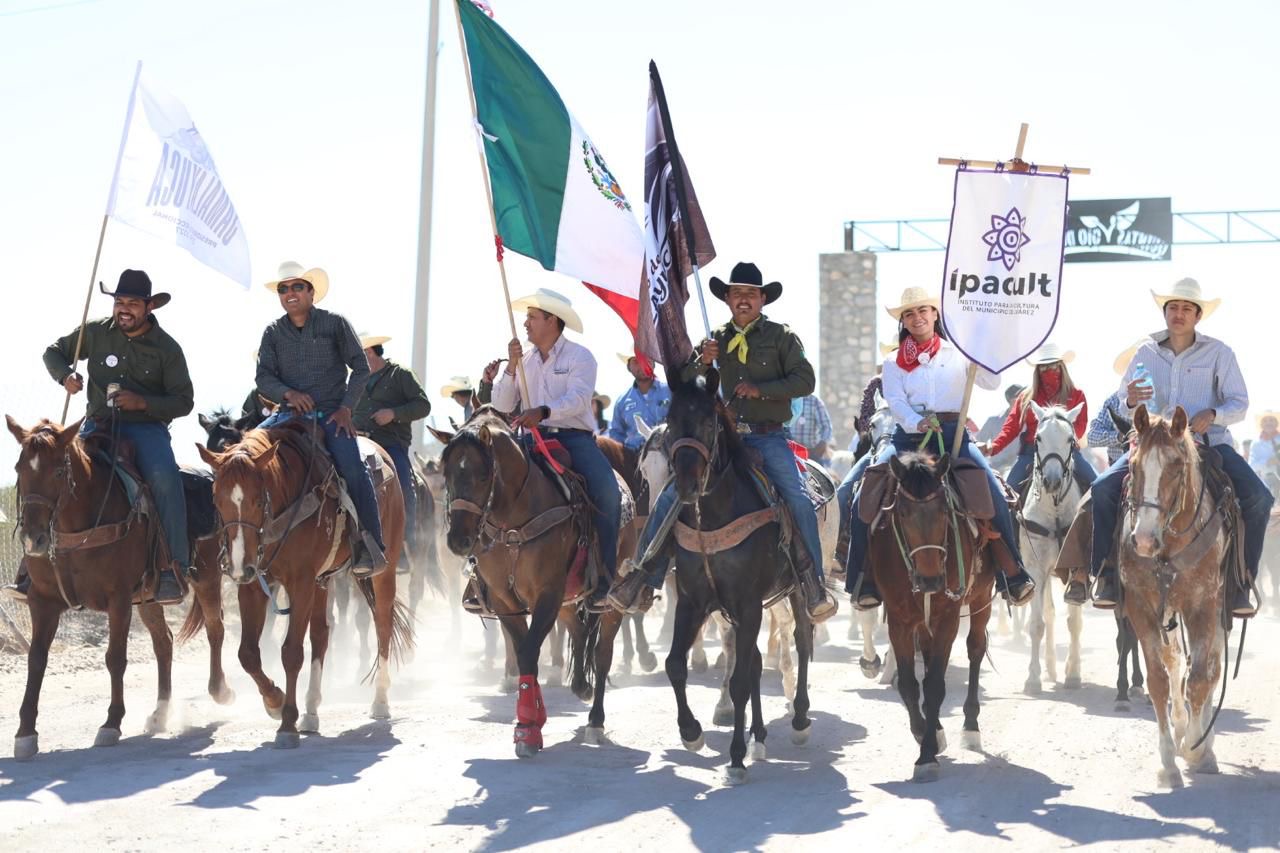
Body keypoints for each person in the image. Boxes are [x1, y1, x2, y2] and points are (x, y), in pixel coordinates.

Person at [608, 261, 838, 622]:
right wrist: (701, 361)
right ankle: (643, 575)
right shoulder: (716, 339)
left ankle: (813, 582)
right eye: (736, 294)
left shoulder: (782, 337)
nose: (743, 299)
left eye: (750, 294)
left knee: (797, 497)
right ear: (727, 299)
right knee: (671, 494)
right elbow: (683, 380)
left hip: (767, 437)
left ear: (762, 299)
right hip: (722, 440)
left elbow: (804, 380)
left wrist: (761, 390)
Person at [1068, 278, 1272, 618]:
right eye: (1173, 307)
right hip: (1150, 448)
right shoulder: (1145, 352)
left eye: (1187, 309)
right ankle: (1104, 573)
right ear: (1165, 313)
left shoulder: (1220, 353)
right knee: (1102, 489)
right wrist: (1131, 398)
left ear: (1198, 316)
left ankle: (1241, 582)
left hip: (1208, 446)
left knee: (1260, 497)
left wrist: (1214, 413)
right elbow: (1123, 404)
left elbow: (1240, 403)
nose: (1179, 314)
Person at [843, 286, 1036, 610]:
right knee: (866, 494)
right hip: (907, 438)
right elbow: (896, 402)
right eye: (909, 314)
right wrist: (918, 422)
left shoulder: (959, 352)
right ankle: (863, 579)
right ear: (903, 321)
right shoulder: (892, 362)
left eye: (923, 311)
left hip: (953, 434)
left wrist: (981, 352)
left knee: (993, 491)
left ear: (935, 314)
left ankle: (1012, 574)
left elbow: (991, 383)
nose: (917, 318)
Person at [7, 270, 194, 604]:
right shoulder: (94, 332)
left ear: (149, 306)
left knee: (165, 478)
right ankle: (29, 570)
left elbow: (184, 401)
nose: (124, 309)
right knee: (53, 471)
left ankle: (172, 568)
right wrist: (65, 376)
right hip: (97, 426)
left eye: (133, 303)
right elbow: (53, 351)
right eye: (119, 302)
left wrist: (143, 402)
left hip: (145, 429)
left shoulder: (168, 349)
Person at [490, 288, 622, 611]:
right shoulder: (525, 362)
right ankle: (483, 575)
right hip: (531, 441)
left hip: (573, 440)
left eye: (532, 317)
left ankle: (605, 580)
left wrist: (544, 412)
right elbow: (501, 403)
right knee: (488, 488)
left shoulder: (580, 357)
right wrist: (510, 367)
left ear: (552, 320)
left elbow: (579, 399)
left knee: (608, 494)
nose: (525, 324)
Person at [254, 261, 387, 577]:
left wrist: (346, 408)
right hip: (288, 416)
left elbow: (360, 367)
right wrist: (288, 394)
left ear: (311, 292)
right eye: (283, 289)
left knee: (353, 468)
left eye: (297, 286)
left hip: (331, 415)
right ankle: (240, 541)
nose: (290, 293)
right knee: (247, 454)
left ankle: (370, 545)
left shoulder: (335, 324)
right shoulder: (273, 333)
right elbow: (263, 377)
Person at [981, 343, 1095, 493]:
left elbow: (1081, 424)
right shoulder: (1026, 397)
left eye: (1053, 366)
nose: (1049, 371)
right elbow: (1011, 427)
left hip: (1068, 451)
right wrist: (994, 447)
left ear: (1061, 366)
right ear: (1037, 369)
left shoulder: (1076, 394)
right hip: (1032, 452)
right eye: (1043, 367)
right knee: (1009, 492)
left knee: (1097, 487)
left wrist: (1064, 439)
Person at [353, 334, 430, 547]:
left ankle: (406, 541)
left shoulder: (401, 375)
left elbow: (423, 406)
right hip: (358, 444)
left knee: (403, 481)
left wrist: (393, 414)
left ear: (369, 353)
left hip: (390, 444)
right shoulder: (356, 380)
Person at [1086, 339, 1147, 466]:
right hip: (1120, 464)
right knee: (1100, 486)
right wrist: (1118, 437)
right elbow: (1092, 437)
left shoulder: (1161, 398)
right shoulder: (1113, 401)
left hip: (1153, 464)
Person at [607, 353, 671, 451]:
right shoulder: (622, 402)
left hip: (667, 456)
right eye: (636, 361)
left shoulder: (670, 392)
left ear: (653, 364)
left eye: (646, 360)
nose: (642, 365)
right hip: (632, 459)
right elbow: (616, 433)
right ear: (629, 367)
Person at [789, 393, 835, 467]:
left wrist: (822, 443)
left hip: (811, 454)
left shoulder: (815, 401)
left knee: (820, 475)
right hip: (790, 452)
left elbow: (826, 427)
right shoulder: (787, 399)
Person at [1248, 411, 1280, 497]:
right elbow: (1252, 465)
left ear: (1276, 423)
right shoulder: (1256, 443)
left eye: (1271, 420)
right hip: (1267, 482)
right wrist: (1267, 462)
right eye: (1265, 421)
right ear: (1261, 424)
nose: (1268, 423)